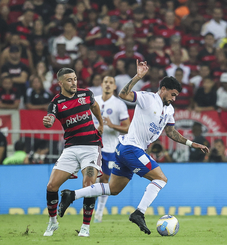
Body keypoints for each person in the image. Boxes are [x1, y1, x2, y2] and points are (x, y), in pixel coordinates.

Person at [58, 60, 209, 235]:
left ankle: (72, 195)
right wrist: (138, 77)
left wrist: (192, 143)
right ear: (164, 89)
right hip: (131, 148)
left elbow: (171, 132)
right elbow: (123, 94)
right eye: (172, 94)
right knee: (161, 179)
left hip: (126, 149)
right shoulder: (148, 98)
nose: (174, 99)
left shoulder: (169, 110)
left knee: (113, 189)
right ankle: (139, 213)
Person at [41, 67, 104, 237]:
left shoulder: (86, 94)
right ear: (60, 83)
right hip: (70, 148)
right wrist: (48, 122)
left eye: (75, 79)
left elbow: (95, 106)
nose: (74, 82)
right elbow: (50, 118)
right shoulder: (56, 103)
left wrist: (101, 123)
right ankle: (53, 222)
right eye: (69, 80)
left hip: (91, 146)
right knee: (52, 186)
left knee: (88, 186)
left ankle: (85, 227)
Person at [92, 75, 130, 223]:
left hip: (111, 148)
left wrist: (112, 125)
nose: (108, 85)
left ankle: (99, 213)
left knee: (105, 180)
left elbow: (127, 128)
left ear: (115, 87)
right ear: (101, 84)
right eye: (105, 82)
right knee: (91, 178)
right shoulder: (93, 101)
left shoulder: (119, 104)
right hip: (94, 147)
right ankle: (90, 211)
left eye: (111, 83)